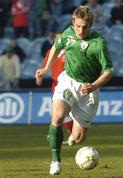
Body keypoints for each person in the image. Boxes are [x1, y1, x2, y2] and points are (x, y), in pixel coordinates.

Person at [35, 6, 113, 175]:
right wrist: (46, 68)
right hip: (68, 81)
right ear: (73, 23)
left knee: (79, 138)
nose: (80, 30)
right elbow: (56, 46)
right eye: (78, 26)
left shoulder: (98, 43)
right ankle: (55, 162)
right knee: (57, 117)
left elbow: (109, 71)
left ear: (90, 25)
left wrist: (93, 86)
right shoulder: (68, 33)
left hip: (89, 90)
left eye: (84, 27)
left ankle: (70, 135)